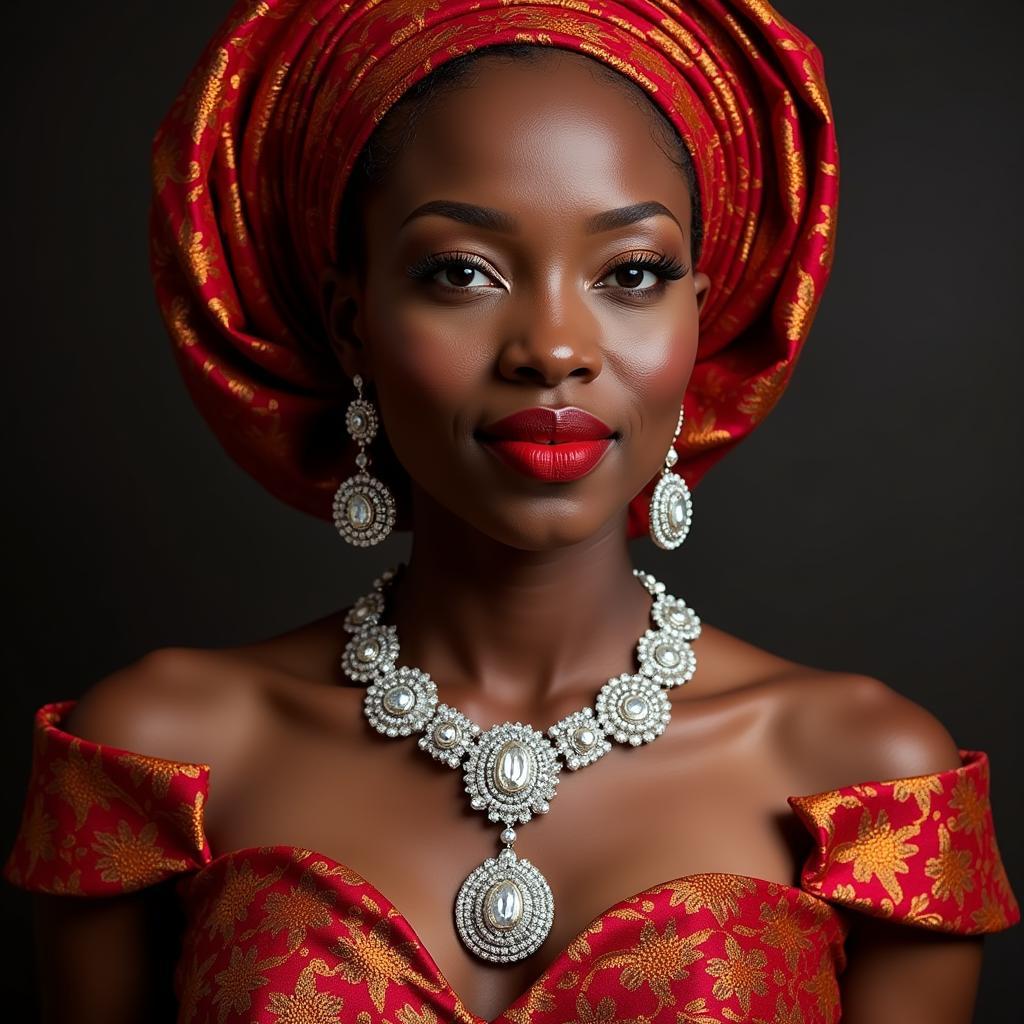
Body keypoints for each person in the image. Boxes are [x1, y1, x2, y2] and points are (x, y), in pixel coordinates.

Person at [3, 2, 1018, 1022]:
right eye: (461, 272)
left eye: (629, 273)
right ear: (351, 321)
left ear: (698, 317)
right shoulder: (160, 754)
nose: (552, 346)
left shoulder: (865, 783)